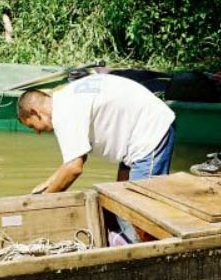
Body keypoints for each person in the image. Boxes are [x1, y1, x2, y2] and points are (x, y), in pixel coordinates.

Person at [17, 73, 176, 243]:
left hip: (150, 134)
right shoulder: (65, 98)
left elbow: (74, 168)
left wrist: (43, 204)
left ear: (35, 112)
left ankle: (151, 255)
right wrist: (47, 184)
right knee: (120, 200)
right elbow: (78, 157)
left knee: (141, 214)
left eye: (33, 126)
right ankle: (124, 241)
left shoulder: (64, 113)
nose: (38, 132)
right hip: (134, 139)